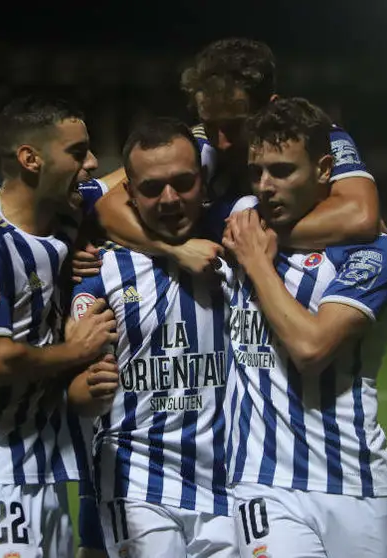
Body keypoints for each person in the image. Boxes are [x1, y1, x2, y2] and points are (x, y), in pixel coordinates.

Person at [0, 95, 118, 558]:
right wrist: (76, 352)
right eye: (77, 152)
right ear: (30, 159)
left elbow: (130, 177)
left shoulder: (60, 223)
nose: (91, 163)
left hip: (44, 464)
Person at [221, 98, 387, 558]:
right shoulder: (243, 220)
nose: (265, 186)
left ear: (325, 169)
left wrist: (258, 265)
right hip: (262, 483)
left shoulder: (375, 255)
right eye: (256, 172)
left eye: (282, 171)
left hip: (354, 481)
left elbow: (310, 347)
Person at [74, 38, 382, 281]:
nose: (220, 141)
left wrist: (246, 237)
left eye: (236, 125)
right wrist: (174, 249)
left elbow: (360, 216)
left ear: (270, 107)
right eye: (210, 124)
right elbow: (105, 203)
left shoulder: (316, 137)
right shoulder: (199, 145)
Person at [69, 118, 235, 557]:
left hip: (231, 484)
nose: (169, 199)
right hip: (137, 484)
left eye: (183, 183)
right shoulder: (97, 275)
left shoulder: (242, 256)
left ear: (204, 183)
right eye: (151, 188)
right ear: (128, 193)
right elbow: (77, 395)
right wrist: (85, 389)